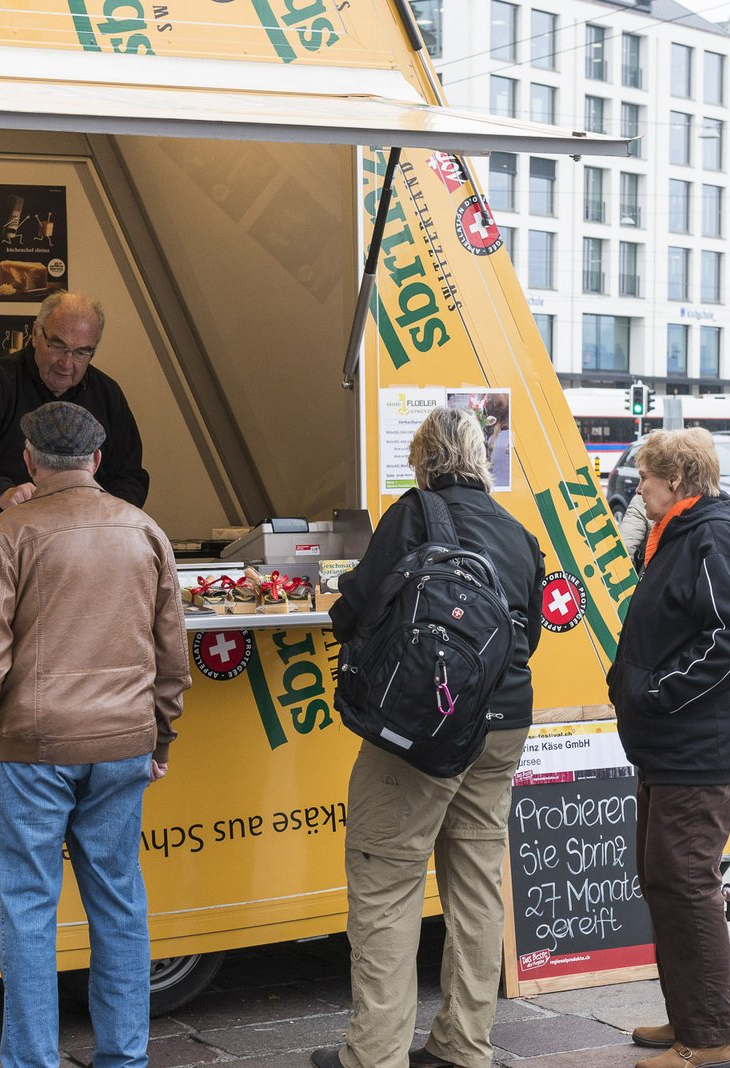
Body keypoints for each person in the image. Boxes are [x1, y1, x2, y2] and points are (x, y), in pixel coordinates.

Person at [0, 402, 190, 1068]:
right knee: (119, 902)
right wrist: (160, 738)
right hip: (124, 742)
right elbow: (172, 654)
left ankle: (33, 1060)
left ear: (29, 460)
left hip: (35, 746)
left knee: (28, 908)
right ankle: (125, 1057)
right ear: (97, 459)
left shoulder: (8, 532)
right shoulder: (144, 530)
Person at [314, 407, 544, 1068]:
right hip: (503, 723)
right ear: (479, 459)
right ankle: (464, 1045)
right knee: (476, 885)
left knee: (386, 879)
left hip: (425, 727)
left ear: (422, 458)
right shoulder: (518, 532)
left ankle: (375, 1054)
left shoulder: (412, 515)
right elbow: (527, 633)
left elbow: (354, 611)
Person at [606, 428, 730, 1068]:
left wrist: (656, 692)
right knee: (664, 879)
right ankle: (689, 1015)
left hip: (700, 743)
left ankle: (709, 1037)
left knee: (686, 881)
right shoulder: (677, 532)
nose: (637, 489)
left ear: (675, 480)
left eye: (644, 478)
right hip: (671, 743)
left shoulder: (712, 536)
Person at [0, 291, 150, 583]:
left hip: (82, 551)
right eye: (57, 346)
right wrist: (2, 493)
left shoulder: (107, 394)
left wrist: (107, 515)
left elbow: (131, 475)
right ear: (36, 334)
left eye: (81, 352)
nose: (67, 363)